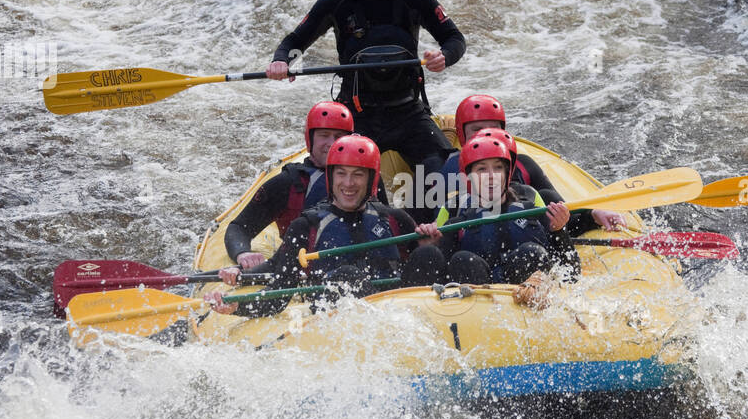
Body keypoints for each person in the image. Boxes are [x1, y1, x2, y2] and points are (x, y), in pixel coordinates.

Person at [265, 0, 466, 186]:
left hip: (408, 111)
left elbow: (454, 38)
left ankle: (427, 221)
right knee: (358, 186)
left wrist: (444, 56)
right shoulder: (336, 2)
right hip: (357, 114)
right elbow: (294, 41)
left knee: (445, 174)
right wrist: (281, 61)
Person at [203, 135, 441, 317]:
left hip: (397, 314)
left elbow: (423, 272)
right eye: (341, 174)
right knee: (347, 276)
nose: (348, 183)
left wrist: (431, 243)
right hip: (333, 321)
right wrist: (237, 306)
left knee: (429, 254)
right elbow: (278, 295)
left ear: (371, 179)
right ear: (330, 177)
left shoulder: (394, 219)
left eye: (358, 174)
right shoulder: (306, 227)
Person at [442, 95, 627, 233]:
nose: (486, 136)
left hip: (522, 238)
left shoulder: (524, 167)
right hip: (470, 247)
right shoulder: (448, 171)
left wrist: (593, 215)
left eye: (492, 129)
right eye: (477, 130)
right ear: (461, 133)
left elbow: (563, 212)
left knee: (545, 195)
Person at [414, 134, 574, 287]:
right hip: (480, 304)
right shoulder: (456, 226)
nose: (491, 176)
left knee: (531, 252)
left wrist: (560, 232)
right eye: (482, 169)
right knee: (463, 260)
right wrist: (435, 246)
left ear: (507, 174)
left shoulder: (535, 214)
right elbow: (442, 281)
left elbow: (572, 275)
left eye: (498, 168)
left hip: (527, 300)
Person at [222, 100, 356, 269]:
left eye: (338, 137)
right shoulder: (288, 183)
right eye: (324, 135)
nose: (331, 143)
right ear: (310, 139)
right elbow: (239, 227)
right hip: (297, 267)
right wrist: (243, 253)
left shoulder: (364, 182)